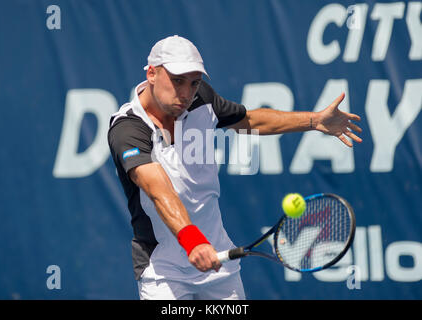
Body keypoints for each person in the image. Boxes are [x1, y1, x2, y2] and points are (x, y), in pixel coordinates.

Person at [107, 35, 362, 300]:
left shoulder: (202, 99)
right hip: (163, 273)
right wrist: (193, 241)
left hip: (218, 263)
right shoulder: (127, 129)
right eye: (177, 81)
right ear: (151, 73)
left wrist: (315, 120)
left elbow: (249, 120)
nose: (186, 93)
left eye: (194, 83)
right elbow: (159, 190)